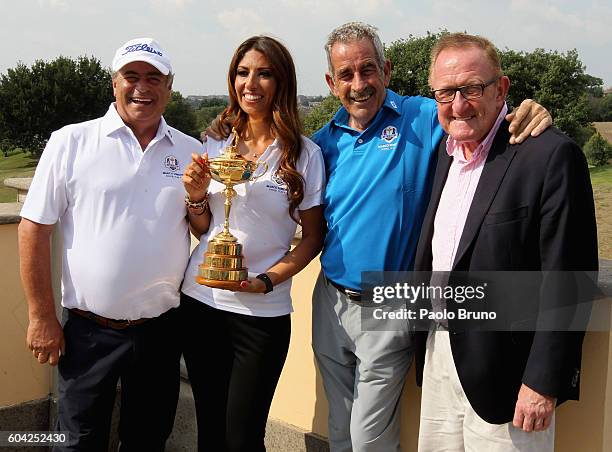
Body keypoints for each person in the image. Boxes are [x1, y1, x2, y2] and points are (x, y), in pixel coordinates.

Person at [310, 22, 553, 452]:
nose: (359, 84)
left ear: (386, 70)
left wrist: (529, 110)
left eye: (368, 70)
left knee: (368, 436)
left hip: (390, 298)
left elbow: (480, 117)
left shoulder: (423, 116)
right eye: (346, 75)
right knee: (340, 426)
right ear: (332, 83)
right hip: (328, 297)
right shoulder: (320, 144)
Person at [413, 32, 598, 451]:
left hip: (510, 378)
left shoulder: (548, 155)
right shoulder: (446, 152)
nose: (458, 104)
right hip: (441, 355)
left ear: (502, 89)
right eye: (446, 92)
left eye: (472, 89)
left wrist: (542, 383)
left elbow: (568, 279)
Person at [18, 38, 202, 451]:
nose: (142, 87)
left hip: (160, 332)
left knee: (148, 438)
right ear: (113, 84)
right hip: (86, 332)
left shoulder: (192, 152)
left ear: (169, 87)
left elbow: (203, 221)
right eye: (131, 76)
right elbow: (33, 229)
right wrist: (41, 316)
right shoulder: (70, 141)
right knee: (77, 441)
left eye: (154, 78)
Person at [179, 35, 325, 452]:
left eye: (264, 73)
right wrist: (194, 195)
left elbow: (312, 237)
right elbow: (204, 226)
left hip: (262, 311)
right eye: (243, 72)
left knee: (243, 438)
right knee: (209, 430)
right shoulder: (213, 142)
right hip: (201, 300)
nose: (251, 83)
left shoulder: (304, 155)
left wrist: (265, 280)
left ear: (282, 82)